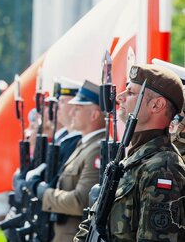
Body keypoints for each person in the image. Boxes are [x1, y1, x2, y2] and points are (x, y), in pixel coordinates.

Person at [74, 64, 185, 241]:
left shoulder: (163, 167)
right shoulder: (131, 158)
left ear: (156, 105)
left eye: (131, 93)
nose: (120, 97)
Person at [28, 80, 105, 242]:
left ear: (94, 114)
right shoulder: (83, 145)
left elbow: (80, 201)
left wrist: (43, 192)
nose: (71, 113)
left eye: (78, 109)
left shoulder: (97, 149)